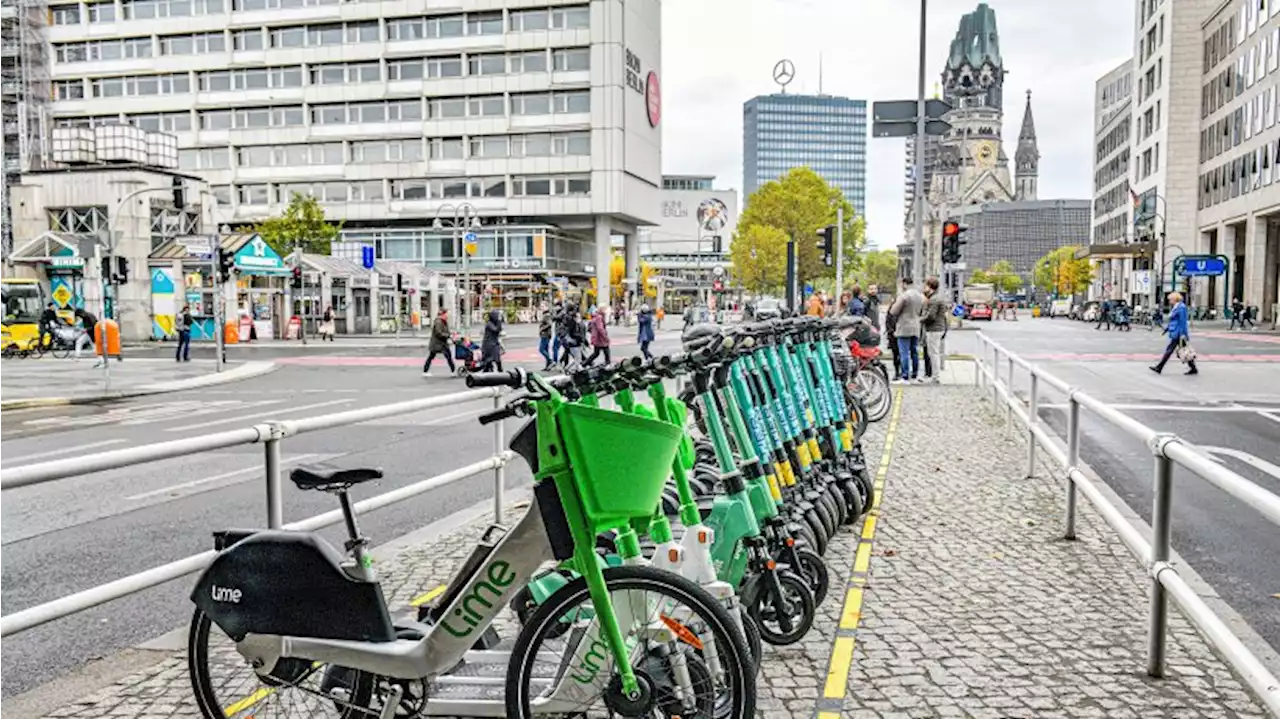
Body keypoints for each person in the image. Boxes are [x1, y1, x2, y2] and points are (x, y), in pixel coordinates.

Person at [1151, 292, 1198, 376]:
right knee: (1185, 350)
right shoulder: (1176, 307)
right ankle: (1193, 368)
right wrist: (1167, 329)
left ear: (1175, 299)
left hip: (1178, 333)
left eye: (1170, 299)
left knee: (1170, 350)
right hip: (1175, 331)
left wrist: (1184, 334)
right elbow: (1173, 320)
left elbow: (1182, 321)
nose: (1169, 301)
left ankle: (1159, 367)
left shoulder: (1181, 307)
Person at [887, 277, 924, 384]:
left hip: (904, 327)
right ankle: (915, 375)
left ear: (904, 284)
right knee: (914, 352)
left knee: (904, 353)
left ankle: (905, 376)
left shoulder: (904, 296)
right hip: (916, 326)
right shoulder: (919, 296)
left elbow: (893, 311)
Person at [921, 277, 948, 383]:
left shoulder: (934, 300)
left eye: (926, 285)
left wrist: (919, 320)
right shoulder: (935, 298)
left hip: (934, 329)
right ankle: (934, 376)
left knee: (933, 353)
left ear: (930, 287)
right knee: (933, 352)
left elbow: (931, 316)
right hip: (938, 328)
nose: (924, 288)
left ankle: (935, 377)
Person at [423, 308, 455, 377]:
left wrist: (450, 334)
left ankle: (425, 371)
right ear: (443, 314)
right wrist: (448, 335)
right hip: (439, 343)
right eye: (447, 314)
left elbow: (444, 331)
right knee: (447, 356)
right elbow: (438, 333)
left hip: (439, 343)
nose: (448, 315)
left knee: (432, 357)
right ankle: (453, 371)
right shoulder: (439, 322)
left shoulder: (443, 321)